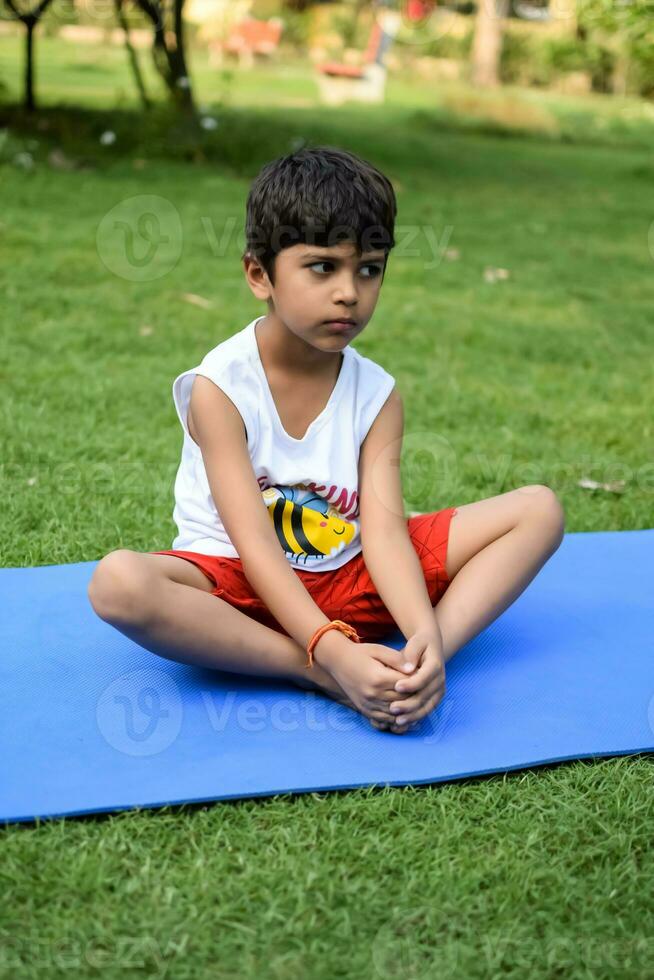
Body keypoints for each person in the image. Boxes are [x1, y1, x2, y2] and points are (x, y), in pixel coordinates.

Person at [88, 145, 565, 734]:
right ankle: (309, 671)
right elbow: (255, 544)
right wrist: (327, 653)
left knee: (538, 509)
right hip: (242, 587)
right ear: (259, 275)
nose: (349, 292)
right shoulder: (221, 387)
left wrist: (423, 635)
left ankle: (417, 663)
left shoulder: (378, 393)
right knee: (119, 583)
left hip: (355, 572)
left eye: (369, 269)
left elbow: (386, 531)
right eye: (323, 267)